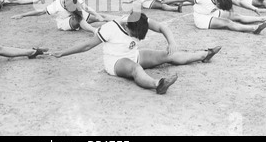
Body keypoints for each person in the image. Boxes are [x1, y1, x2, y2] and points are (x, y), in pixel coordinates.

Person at [48, 11, 223, 95]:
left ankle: (204, 54)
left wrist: (171, 42)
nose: (137, 36)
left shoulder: (139, 20)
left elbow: (162, 27)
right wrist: (62, 53)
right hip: (116, 62)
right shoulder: (110, 28)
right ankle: (158, 84)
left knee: (168, 55)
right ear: (127, 26)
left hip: (134, 54)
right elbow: (87, 46)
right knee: (136, 69)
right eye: (134, 34)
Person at [158, 0, 266, 34]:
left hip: (211, 13)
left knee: (235, 15)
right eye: (221, 7)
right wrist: (169, 0)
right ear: (218, 4)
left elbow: (240, 3)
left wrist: (254, 8)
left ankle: (262, 19)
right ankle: (254, 29)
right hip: (202, 19)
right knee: (227, 22)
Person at [10, 0, 111, 33]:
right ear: (66, 7)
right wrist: (23, 15)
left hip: (76, 15)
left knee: (101, 16)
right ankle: (94, 30)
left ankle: (122, 19)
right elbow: (40, 12)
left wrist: (97, 15)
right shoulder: (55, 6)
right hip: (64, 22)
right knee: (78, 19)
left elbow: (86, 8)